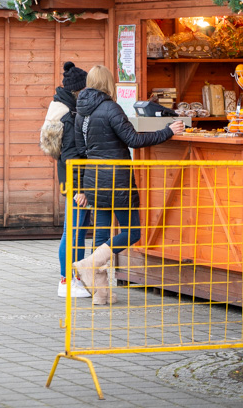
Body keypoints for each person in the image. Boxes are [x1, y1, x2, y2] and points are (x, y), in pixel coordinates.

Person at [72, 65, 185, 305]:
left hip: (94, 179)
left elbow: (81, 150)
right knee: (132, 232)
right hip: (117, 179)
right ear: (108, 83)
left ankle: (100, 295)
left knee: (102, 235)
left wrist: (82, 186)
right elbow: (133, 139)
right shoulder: (110, 107)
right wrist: (167, 131)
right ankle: (89, 264)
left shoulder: (81, 111)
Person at [41, 62, 90, 298]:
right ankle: (66, 280)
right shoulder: (69, 115)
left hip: (69, 179)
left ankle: (73, 278)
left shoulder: (60, 106)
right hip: (74, 181)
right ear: (78, 91)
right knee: (72, 231)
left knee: (76, 230)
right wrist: (80, 188)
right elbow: (71, 155)